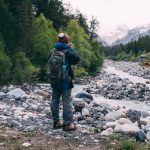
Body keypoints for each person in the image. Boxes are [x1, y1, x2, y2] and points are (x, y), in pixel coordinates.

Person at [50, 33, 80, 131]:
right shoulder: (68, 51)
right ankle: (67, 124)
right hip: (65, 82)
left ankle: (56, 122)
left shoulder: (53, 51)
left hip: (54, 80)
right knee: (66, 101)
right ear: (67, 41)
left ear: (58, 40)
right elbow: (77, 59)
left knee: (54, 100)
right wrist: (71, 48)